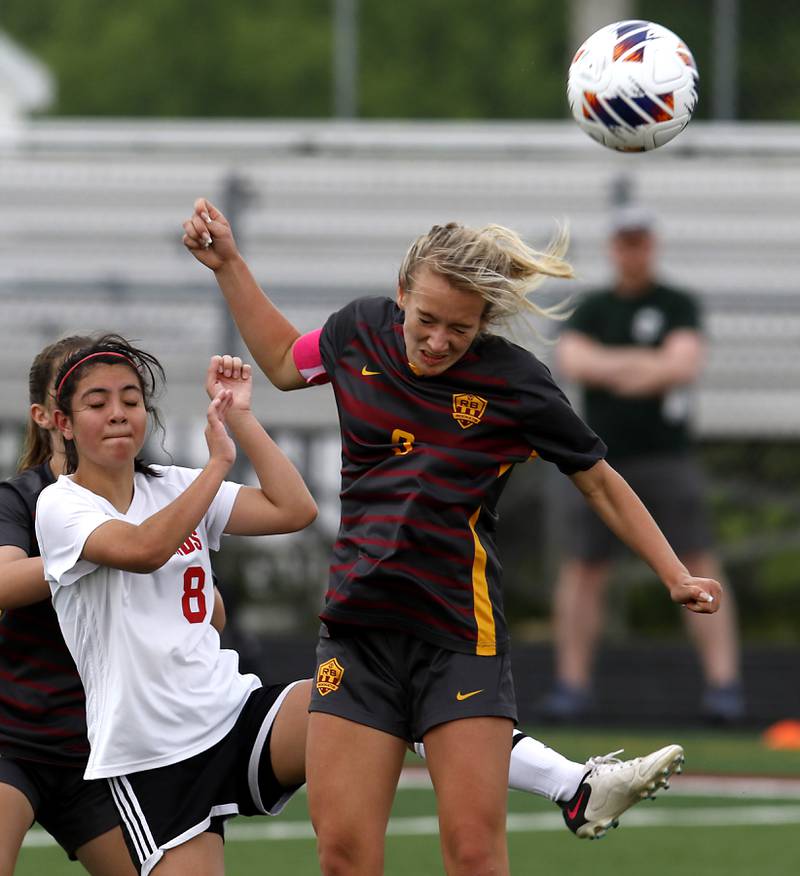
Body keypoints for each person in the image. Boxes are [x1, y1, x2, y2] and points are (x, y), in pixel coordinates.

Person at [182, 198, 719, 875]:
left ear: (485, 323)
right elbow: (287, 363)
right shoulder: (359, 332)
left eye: (459, 330)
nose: (437, 341)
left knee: (472, 855)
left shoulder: (517, 384)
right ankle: (573, 784)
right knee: (343, 857)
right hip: (357, 632)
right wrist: (228, 264)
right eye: (426, 320)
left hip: (460, 638)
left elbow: (600, 481)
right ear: (401, 292)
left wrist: (674, 572)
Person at [5, 337, 675, 876]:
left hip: (232, 711)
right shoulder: (62, 504)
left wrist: (240, 421)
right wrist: (216, 467)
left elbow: (293, 508)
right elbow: (147, 548)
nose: (118, 411)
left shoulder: (171, 483)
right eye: (97, 403)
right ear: (60, 423)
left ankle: (575, 787)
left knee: (376, 698)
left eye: (130, 398)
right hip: (150, 755)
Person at [540, 204, 743, 724]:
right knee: (585, 568)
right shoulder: (593, 307)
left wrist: (617, 367)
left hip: (665, 457)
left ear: (652, 246)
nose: (633, 251)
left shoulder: (676, 303)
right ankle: (572, 686)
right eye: (625, 242)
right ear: (614, 248)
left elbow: (680, 365)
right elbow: (575, 362)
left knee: (696, 560)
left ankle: (724, 687)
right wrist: (644, 365)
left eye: (641, 242)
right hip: (597, 461)